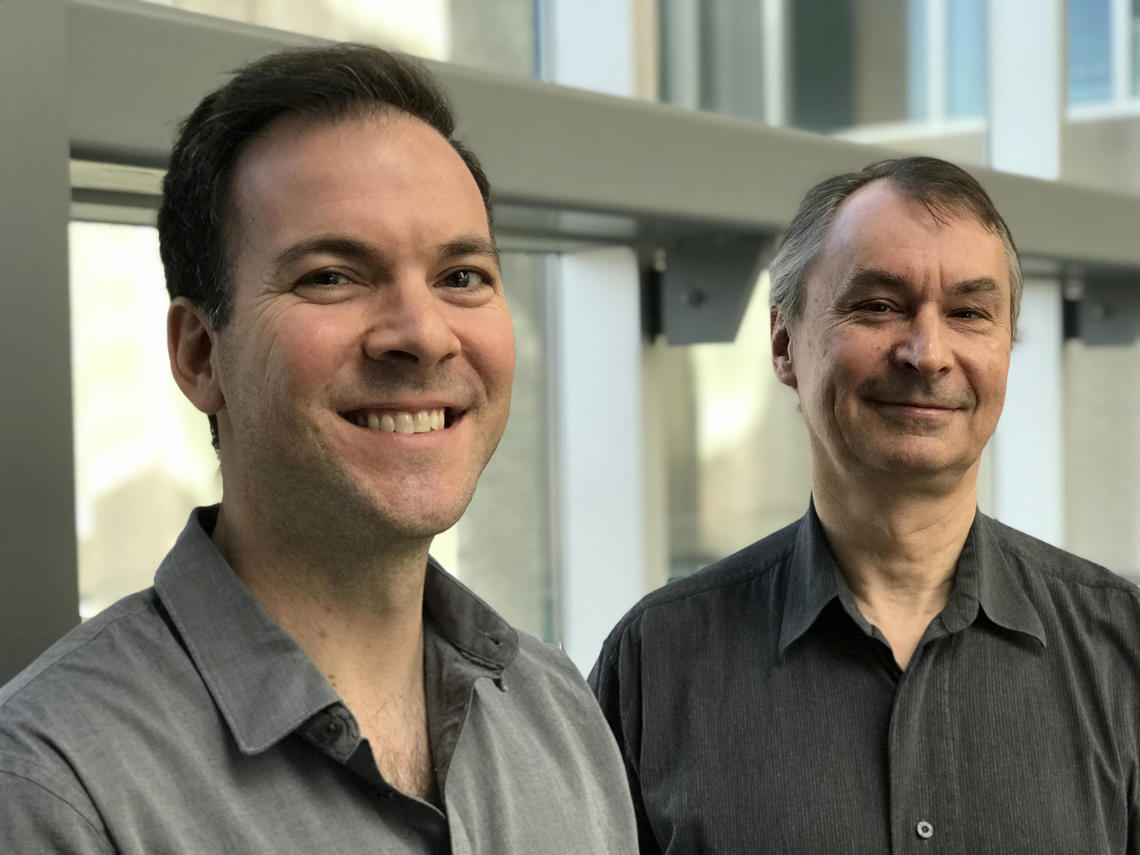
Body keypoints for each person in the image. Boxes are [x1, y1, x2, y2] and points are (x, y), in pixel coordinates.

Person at [0, 44, 636, 854]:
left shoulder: (557, 712)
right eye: (332, 276)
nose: (422, 334)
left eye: (462, 276)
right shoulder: (53, 788)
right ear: (201, 354)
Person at [591, 156, 1140, 853]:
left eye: (970, 313)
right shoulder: (656, 661)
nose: (928, 352)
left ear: (1005, 349)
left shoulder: (1121, 646)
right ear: (785, 343)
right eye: (879, 306)